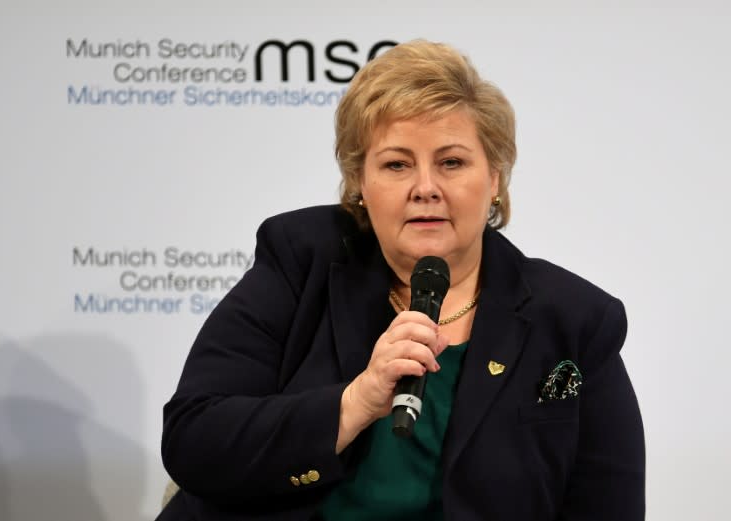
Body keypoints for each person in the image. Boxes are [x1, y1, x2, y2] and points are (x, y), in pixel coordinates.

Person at [157, 40, 645, 521]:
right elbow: (194, 440)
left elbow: (608, 505)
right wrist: (355, 402)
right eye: (396, 164)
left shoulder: (572, 320)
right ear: (359, 184)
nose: (425, 188)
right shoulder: (299, 260)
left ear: (494, 178)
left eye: (451, 162)